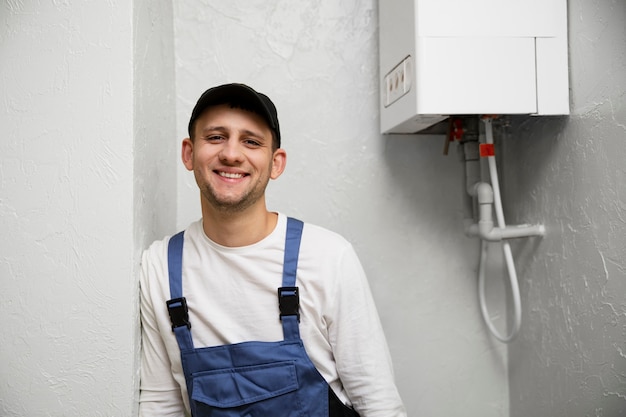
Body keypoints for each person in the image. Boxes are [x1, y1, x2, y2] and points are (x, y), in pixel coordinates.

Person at [139, 83, 406, 417]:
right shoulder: (159, 267)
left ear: (276, 163)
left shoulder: (327, 257)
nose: (232, 154)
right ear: (189, 154)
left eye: (251, 141)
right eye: (216, 137)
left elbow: (379, 404)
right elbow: (160, 406)